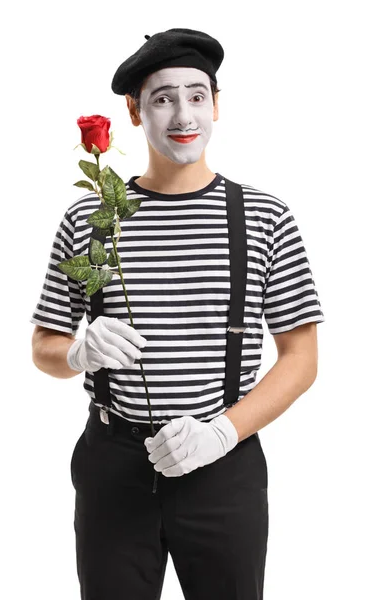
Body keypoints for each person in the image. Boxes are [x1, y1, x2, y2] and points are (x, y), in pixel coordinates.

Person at [30, 28, 325, 600]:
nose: (183, 113)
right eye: (163, 98)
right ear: (135, 111)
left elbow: (302, 358)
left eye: (196, 95)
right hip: (113, 465)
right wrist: (73, 351)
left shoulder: (263, 216)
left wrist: (223, 432)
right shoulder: (91, 217)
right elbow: (44, 346)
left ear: (217, 104)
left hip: (223, 465)